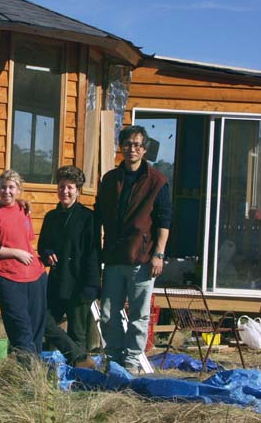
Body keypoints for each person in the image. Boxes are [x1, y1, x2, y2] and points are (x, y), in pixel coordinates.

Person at [95, 125, 171, 372]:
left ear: (145, 149)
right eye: (127, 144)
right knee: (108, 313)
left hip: (142, 258)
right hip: (115, 257)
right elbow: (99, 214)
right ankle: (114, 357)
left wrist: (158, 254)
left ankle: (131, 360)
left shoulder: (157, 181)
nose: (132, 149)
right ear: (121, 147)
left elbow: (164, 220)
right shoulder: (109, 180)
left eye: (137, 145)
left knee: (139, 315)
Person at [0, 170, 47, 361]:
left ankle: (36, 377)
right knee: (20, 329)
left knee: (37, 328)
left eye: (11, 187)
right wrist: (14, 252)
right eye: (3, 187)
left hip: (36, 276)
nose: (7, 191)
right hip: (8, 277)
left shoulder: (23, 209)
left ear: (19, 190)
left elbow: (26, 239)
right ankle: (27, 374)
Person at [38, 165, 100, 368]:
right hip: (57, 281)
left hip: (80, 283)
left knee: (78, 332)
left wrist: (91, 286)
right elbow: (43, 245)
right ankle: (49, 368)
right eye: (62, 186)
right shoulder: (51, 217)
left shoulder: (88, 217)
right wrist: (47, 254)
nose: (65, 191)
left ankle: (81, 373)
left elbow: (93, 253)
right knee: (43, 323)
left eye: (70, 187)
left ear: (78, 190)